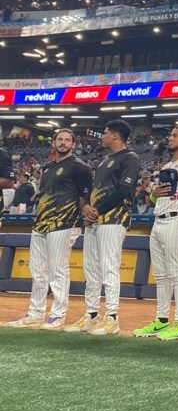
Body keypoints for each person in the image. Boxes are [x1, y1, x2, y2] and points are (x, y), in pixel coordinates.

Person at [6, 130, 92, 331]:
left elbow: (84, 199)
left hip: (64, 223)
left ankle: (57, 315)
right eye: (60, 139)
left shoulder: (79, 167)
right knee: (37, 269)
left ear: (73, 143)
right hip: (42, 222)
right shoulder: (48, 167)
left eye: (67, 140)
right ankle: (36, 313)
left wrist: (79, 220)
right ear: (53, 143)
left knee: (58, 269)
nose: (63, 143)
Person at [65, 120, 141, 335]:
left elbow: (124, 189)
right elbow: (92, 189)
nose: (102, 136)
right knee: (91, 268)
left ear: (115, 136)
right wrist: (87, 207)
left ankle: (112, 317)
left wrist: (97, 209)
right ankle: (90, 315)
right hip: (94, 220)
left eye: (105, 133)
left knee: (109, 267)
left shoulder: (130, 158)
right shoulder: (104, 160)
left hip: (114, 218)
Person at [132, 126, 178, 341]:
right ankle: (161, 320)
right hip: (160, 219)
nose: (170, 138)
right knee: (161, 275)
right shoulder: (169, 164)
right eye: (170, 135)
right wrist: (153, 194)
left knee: (177, 272)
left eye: (176, 135)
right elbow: (156, 198)